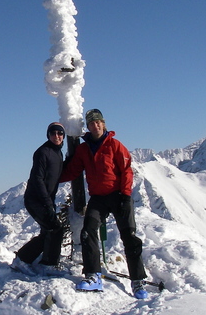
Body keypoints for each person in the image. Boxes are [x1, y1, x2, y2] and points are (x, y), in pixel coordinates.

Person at [60, 109, 148, 299]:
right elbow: (73, 170)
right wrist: (50, 178)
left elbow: (126, 170)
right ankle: (93, 275)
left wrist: (125, 195)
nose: (95, 126)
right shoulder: (84, 150)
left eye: (98, 122)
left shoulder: (115, 145)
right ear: (88, 127)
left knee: (129, 236)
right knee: (88, 230)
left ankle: (138, 280)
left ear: (103, 123)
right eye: (91, 124)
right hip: (98, 198)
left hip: (118, 196)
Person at [11, 122, 66, 276]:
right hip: (36, 199)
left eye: (60, 133)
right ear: (48, 135)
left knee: (48, 231)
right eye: (53, 133)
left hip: (46, 200)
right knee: (55, 229)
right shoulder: (43, 152)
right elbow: (38, 179)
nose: (57, 136)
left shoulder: (57, 153)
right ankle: (29, 261)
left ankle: (38, 261)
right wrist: (47, 203)